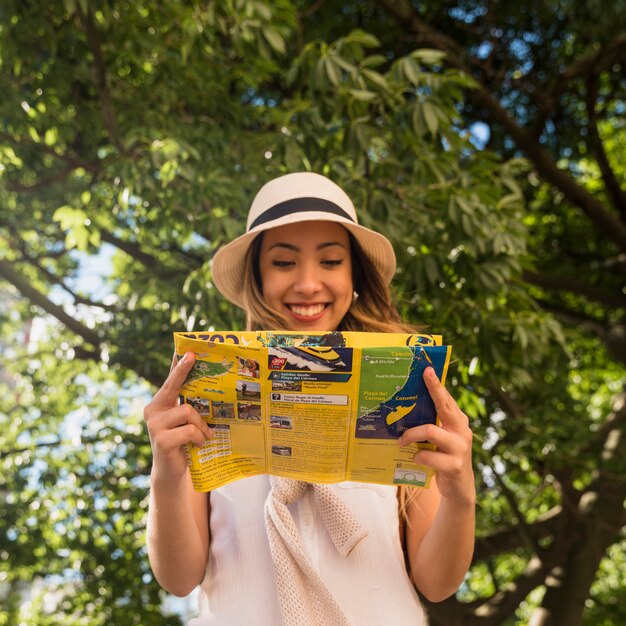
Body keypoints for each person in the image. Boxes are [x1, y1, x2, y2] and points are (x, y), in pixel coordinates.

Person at [143, 172, 475, 625]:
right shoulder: (203, 393)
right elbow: (179, 579)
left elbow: (437, 583)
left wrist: (461, 496)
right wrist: (165, 473)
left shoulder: (403, 391)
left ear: (354, 276)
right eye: (283, 263)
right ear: (256, 280)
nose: (307, 284)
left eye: (330, 261)